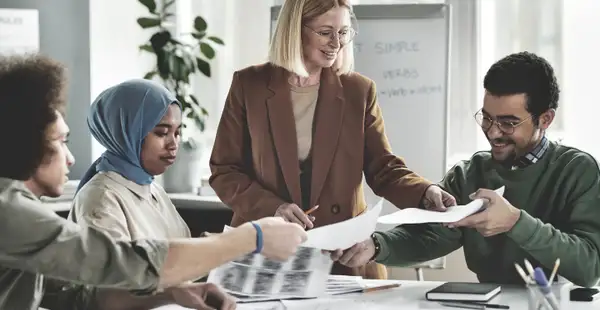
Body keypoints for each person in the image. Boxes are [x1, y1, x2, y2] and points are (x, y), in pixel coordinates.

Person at [0, 54, 307, 309]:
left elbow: (78, 298)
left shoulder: (20, 207)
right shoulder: (10, 213)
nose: (70, 158)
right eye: (60, 141)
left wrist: (169, 293)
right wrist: (252, 237)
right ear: (24, 143)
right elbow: (121, 264)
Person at [208, 0, 455, 280]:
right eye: (326, 32)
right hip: (267, 252)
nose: (336, 43)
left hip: (342, 254)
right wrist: (273, 208)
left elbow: (383, 168)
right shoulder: (249, 85)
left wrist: (424, 193)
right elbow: (225, 170)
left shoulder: (358, 90)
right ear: (295, 30)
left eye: (343, 32)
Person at [333, 52, 600, 287]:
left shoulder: (577, 170)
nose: (493, 132)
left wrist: (515, 222)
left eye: (508, 123)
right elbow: (433, 236)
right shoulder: (469, 173)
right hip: (489, 301)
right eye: (486, 117)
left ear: (545, 119)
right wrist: (376, 245)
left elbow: (589, 269)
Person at [64, 79, 230, 309]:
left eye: (178, 132)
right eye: (162, 133)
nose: (174, 144)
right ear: (126, 133)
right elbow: (111, 292)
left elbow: (171, 258)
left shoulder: (150, 187)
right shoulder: (101, 198)